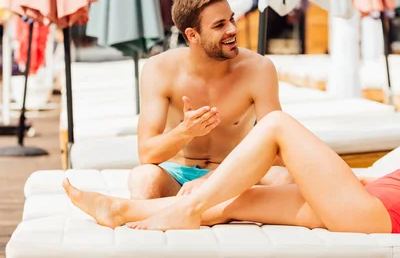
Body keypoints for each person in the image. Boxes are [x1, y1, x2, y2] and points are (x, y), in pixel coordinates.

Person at [63, 111, 396, 234]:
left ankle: (188, 209)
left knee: (277, 125)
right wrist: (366, 177)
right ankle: (119, 210)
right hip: (368, 199)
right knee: (239, 200)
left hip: (376, 215)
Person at [127, 0, 290, 199]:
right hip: (176, 175)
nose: (232, 29)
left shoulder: (258, 69)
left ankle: (183, 209)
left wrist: (214, 179)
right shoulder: (159, 69)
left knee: (286, 179)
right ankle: (207, 209)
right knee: (143, 178)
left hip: (234, 175)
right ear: (193, 35)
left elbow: (277, 148)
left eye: (231, 19)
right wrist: (185, 131)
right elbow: (147, 153)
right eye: (219, 25)